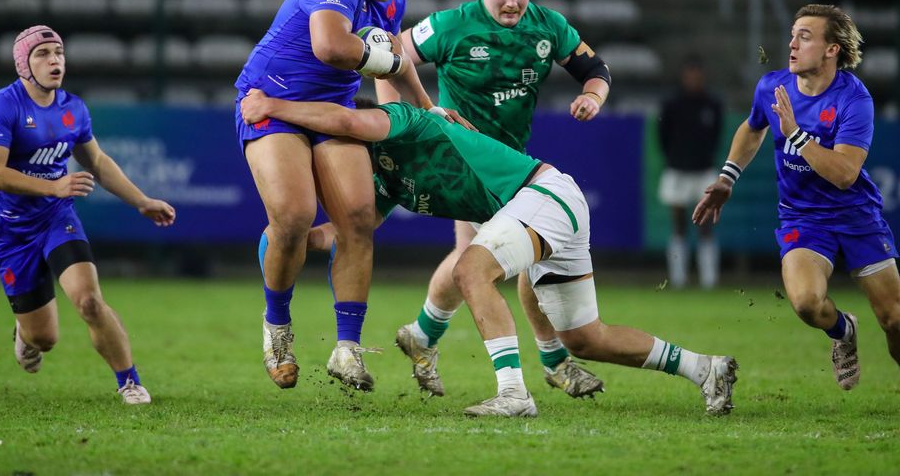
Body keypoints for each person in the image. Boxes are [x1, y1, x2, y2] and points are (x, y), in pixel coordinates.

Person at [240, 89, 739, 417]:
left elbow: (345, 117)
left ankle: (513, 394)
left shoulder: (401, 120)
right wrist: (294, 236)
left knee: (470, 269)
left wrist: (273, 108)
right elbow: (351, 232)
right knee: (587, 339)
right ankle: (705, 368)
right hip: (548, 205)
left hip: (543, 194)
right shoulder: (381, 178)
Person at [374, 0, 612, 398]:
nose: (512, 2)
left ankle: (422, 335)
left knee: (479, 260)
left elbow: (596, 67)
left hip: (511, 163)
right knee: (518, 257)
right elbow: (389, 61)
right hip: (464, 162)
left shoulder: (549, 27)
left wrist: (592, 96)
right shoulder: (451, 25)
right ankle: (554, 360)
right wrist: (395, 123)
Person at [234, 0, 448, 392]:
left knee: (356, 217)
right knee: (293, 216)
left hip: (333, 112)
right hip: (271, 102)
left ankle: (347, 350)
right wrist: (385, 60)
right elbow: (330, 48)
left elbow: (393, 56)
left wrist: (424, 108)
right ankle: (277, 330)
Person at [694, 4, 899, 391]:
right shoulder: (772, 87)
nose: (791, 44)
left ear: (831, 49)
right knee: (806, 303)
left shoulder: (855, 100)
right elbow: (753, 128)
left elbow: (844, 174)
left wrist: (797, 135)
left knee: (895, 320)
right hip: (803, 218)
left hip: (856, 215)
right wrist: (727, 176)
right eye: (792, 35)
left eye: (804, 37)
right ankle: (843, 331)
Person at [0, 25, 176, 404]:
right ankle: (25, 332)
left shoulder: (73, 109)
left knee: (88, 300)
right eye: (43, 54)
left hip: (56, 218)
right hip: (11, 229)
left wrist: (141, 201)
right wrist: (53, 185)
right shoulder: (2, 107)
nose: (55, 61)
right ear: (23, 64)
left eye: (59, 52)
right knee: (44, 339)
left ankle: (129, 382)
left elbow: (97, 161)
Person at [658, 55, 723, 288]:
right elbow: (662, 136)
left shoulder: (712, 104)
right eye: (690, 74)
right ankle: (678, 279)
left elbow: (716, 135)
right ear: (684, 76)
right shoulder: (672, 104)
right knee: (678, 225)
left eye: (698, 74)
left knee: (706, 225)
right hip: (677, 171)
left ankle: (709, 280)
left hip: (704, 172)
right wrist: (674, 159)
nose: (694, 78)